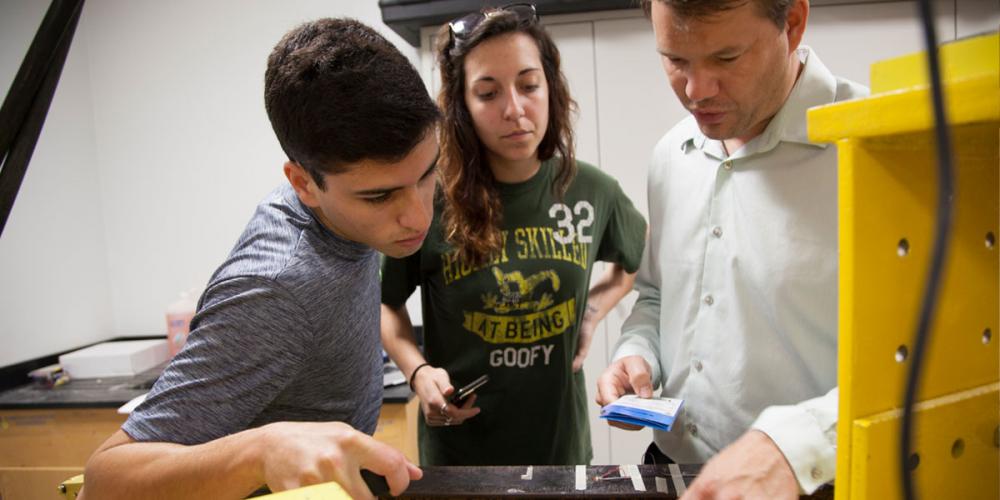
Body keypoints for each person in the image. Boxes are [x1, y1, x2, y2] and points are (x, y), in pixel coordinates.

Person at [81, 18, 440, 500]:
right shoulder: (279, 288)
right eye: (379, 197)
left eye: (427, 173)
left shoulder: (346, 201)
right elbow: (104, 481)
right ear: (304, 184)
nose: (417, 215)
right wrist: (262, 451)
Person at [596, 0, 868, 498]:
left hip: (816, 483)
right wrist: (638, 353)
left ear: (792, 22)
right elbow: (657, 297)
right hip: (670, 468)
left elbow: (926, 361)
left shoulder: (878, 151)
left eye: (725, 59)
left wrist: (795, 446)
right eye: (675, 61)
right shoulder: (670, 157)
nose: (696, 92)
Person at [380, 4, 646, 466]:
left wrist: (594, 311)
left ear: (550, 89)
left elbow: (636, 261)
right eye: (488, 93)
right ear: (462, 105)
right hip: (459, 457)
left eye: (528, 85)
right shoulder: (430, 199)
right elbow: (385, 301)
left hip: (560, 452)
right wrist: (418, 371)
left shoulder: (593, 191)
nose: (514, 109)